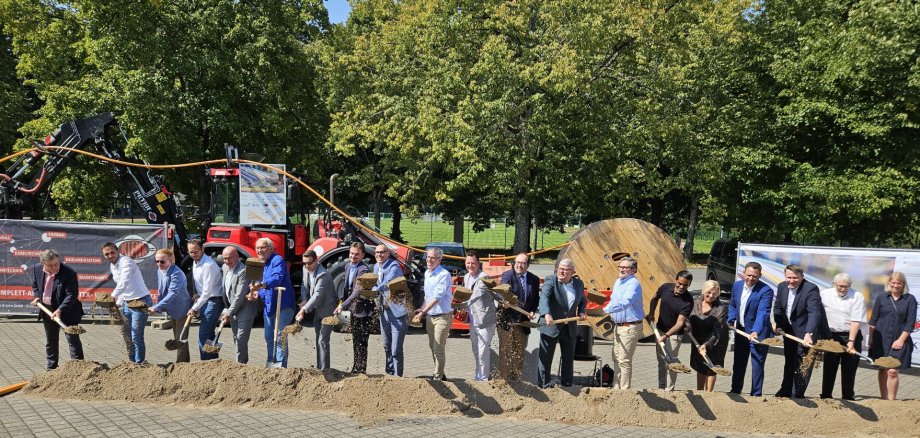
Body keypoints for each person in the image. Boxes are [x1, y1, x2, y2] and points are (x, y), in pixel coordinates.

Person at [773, 264, 825, 398]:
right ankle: (785, 390)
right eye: (788, 277)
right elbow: (778, 307)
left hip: (805, 333)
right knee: (789, 361)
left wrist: (809, 333)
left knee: (802, 365)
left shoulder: (810, 289)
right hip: (789, 332)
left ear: (802, 276)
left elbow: (814, 313)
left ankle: (797, 393)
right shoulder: (782, 286)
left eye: (795, 278)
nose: (791, 280)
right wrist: (779, 325)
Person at [536, 259, 587, 388]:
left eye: (565, 269)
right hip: (551, 325)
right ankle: (544, 384)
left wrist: (581, 312)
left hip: (569, 327)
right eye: (560, 269)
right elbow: (544, 297)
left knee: (568, 358)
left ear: (572, 272)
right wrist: (546, 313)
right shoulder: (551, 280)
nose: (562, 271)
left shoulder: (578, 284)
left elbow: (582, 301)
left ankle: (567, 383)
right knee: (545, 357)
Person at [30, 249, 84, 370]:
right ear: (43, 263)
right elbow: (36, 286)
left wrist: (60, 310)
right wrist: (37, 296)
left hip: (67, 310)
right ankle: (52, 369)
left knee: (72, 339)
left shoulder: (69, 273)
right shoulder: (37, 268)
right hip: (47, 310)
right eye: (51, 265)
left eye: (56, 264)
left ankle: (79, 369)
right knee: (51, 341)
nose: (55, 267)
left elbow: (72, 294)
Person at [727, 261, 774, 396]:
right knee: (739, 363)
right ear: (743, 274)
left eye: (755, 276)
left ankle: (756, 394)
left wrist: (756, 331)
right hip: (741, 331)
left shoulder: (765, 291)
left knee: (757, 365)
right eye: (748, 275)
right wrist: (731, 319)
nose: (751, 278)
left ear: (760, 276)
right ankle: (735, 390)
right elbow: (733, 305)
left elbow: (763, 312)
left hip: (758, 333)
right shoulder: (737, 286)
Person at [868, 271, 917, 401]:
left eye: (898, 283)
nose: (895, 285)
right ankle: (883, 399)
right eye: (893, 282)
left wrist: (901, 340)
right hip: (881, 338)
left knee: (893, 371)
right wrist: (871, 338)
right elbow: (873, 320)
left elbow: (910, 323)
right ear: (889, 283)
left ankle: (891, 401)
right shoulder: (881, 297)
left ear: (903, 284)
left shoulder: (910, 299)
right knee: (882, 368)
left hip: (900, 338)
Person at [102, 242, 150, 364]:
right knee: (127, 336)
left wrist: (111, 297)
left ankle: (139, 364)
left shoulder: (126, 262)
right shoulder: (113, 266)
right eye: (106, 254)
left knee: (136, 336)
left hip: (140, 302)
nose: (110, 255)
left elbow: (125, 281)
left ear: (117, 251)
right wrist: (118, 302)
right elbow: (122, 287)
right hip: (126, 303)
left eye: (112, 252)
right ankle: (131, 362)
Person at [250, 237, 295, 368]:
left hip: (283, 304)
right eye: (257, 248)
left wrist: (262, 284)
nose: (259, 250)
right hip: (269, 305)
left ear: (270, 248)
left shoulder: (277, 260)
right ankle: (271, 362)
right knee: (269, 336)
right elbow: (262, 287)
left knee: (280, 336)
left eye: (262, 247)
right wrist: (257, 293)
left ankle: (281, 367)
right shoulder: (260, 264)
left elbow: (276, 278)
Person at [819, 273, 866, 400]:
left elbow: (856, 320)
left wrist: (851, 342)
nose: (843, 289)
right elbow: (818, 314)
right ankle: (826, 395)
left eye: (846, 286)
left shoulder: (857, 296)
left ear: (850, 285)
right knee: (829, 367)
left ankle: (848, 396)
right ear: (834, 284)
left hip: (852, 336)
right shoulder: (825, 295)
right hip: (832, 336)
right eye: (840, 286)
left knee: (849, 369)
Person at [647, 270, 694, 391]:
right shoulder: (665, 288)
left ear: (689, 285)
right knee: (661, 361)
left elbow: (680, 323)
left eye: (685, 285)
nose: (681, 287)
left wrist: (667, 335)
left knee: (672, 363)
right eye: (679, 283)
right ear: (676, 280)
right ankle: (661, 387)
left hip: (674, 336)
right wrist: (651, 313)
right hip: (660, 329)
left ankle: (670, 389)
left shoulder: (688, 301)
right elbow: (654, 298)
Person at [497, 252, 540, 382]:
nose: (519, 265)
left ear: (528, 265)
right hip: (507, 322)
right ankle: (504, 381)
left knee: (519, 353)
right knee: (505, 352)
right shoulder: (508, 276)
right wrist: (504, 300)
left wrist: (532, 311)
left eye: (523, 263)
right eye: (517, 262)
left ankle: (517, 380)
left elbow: (535, 299)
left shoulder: (534, 279)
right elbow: (502, 290)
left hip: (522, 323)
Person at [603, 256, 644, 389]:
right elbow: (614, 301)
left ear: (634, 270)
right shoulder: (618, 282)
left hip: (630, 327)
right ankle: (616, 388)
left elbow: (626, 302)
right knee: (616, 358)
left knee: (624, 361)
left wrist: (606, 310)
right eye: (620, 267)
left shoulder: (634, 284)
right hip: (618, 326)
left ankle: (625, 391)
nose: (622, 269)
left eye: (626, 267)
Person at [413, 247, 453, 381]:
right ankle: (440, 373)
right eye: (428, 257)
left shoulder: (444, 275)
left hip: (443, 317)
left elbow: (437, 298)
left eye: (433, 258)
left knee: (438, 348)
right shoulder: (427, 273)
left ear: (439, 260)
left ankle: (438, 377)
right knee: (432, 347)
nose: (429, 260)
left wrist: (423, 312)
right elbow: (428, 297)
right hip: (430, 317)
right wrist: (421, 309)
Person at [334, 242, 373, 374]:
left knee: (362, 342)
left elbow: (357, 291)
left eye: (357, 254)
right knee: (356, 340)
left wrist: (343, 305)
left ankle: (361, 370)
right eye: (351, 253)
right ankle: (356, 367)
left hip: (363, 311)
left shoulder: (364, 269)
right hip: (353, 310)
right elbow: (347, 290)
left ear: (362, 255)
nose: (353, 256)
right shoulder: (347, 266)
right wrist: (341, 302)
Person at [149, 249, 192, 363]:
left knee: (180, 338)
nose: (159, 264)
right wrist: (159, 307)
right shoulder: (160, 270)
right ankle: (185, 362)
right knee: (180, 337)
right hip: (172, 309)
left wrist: (157, 307)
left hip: (182, 309)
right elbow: (161, 289)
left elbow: (172, 293)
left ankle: (180, 365)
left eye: (162, 262)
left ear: (171, 260)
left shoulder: (176, 273)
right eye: (156, 261)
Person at [296, 250, 336, 370]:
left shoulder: (323, 274)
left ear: (316, 260)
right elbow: (304, 285)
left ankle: (325, 370)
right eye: (304, 263)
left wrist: (304, 309)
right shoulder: (305, 269)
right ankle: (320, 367)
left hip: (327, 309)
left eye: (309, 263)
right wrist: (304, 299)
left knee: (322, 341)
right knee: (318, 339)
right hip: (318, 309)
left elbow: (317, 295)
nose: (307, 266)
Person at [686, 280, 728, 391]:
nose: (711, 296)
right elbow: (686, 316)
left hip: (715, 340)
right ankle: (700, 392)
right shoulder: (694, 301)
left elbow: (717, 331)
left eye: (714, 294)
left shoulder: (720, 308)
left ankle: (709, 394)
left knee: (711, 367)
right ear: (704, 290)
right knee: (700, 366)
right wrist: (687, 325)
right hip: (697, 338)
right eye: (709, 292)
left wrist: (706, 344)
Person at [186, 239, 224, 360]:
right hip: (206, 300)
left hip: (214, 302)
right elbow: (202, 287)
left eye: (195, 252)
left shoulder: (208, 265)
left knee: (203, 336)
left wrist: (194, 308)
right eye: (190, 252)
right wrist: (197, 294)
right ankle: (214, 361)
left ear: (202, 249)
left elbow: (207, 292)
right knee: (210, 335)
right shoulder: (196, 262)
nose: (193, 255)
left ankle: (205, 364)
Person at [219, 247, 258, 364]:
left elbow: (239, 296)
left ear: (237, 257)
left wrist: (228, 313)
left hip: (245, 311)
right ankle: (242, 363)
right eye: (224, 259)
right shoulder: (225, 267)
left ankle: (239, 365)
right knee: (236, 339)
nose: (226, 261)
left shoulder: (243, 271)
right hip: (233, 310)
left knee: (241, 340)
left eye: (229, 258)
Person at [373, 244, 408, 376]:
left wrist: (376, 289)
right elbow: (374, 284)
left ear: (388, 253)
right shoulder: (376, 267)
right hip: (384, 312)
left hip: (397, 313)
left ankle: (398, 377)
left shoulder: (394, 266)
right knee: (387, 346)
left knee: (395, 349)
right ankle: (389, 373)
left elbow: (388, 282)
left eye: (382, 252)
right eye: (377, 252)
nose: (379, 255)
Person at [464, 251, 496, 381]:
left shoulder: (484, 277)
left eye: (473, 263)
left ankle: (483, 380)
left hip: (485, 321)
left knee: (483, 352)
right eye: (468, 263)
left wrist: (460, 305)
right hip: (473, 320)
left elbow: (475, 295)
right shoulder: (466, 277)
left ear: (479, 264)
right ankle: (477, 375)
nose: (470, 266)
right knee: (476, 351)